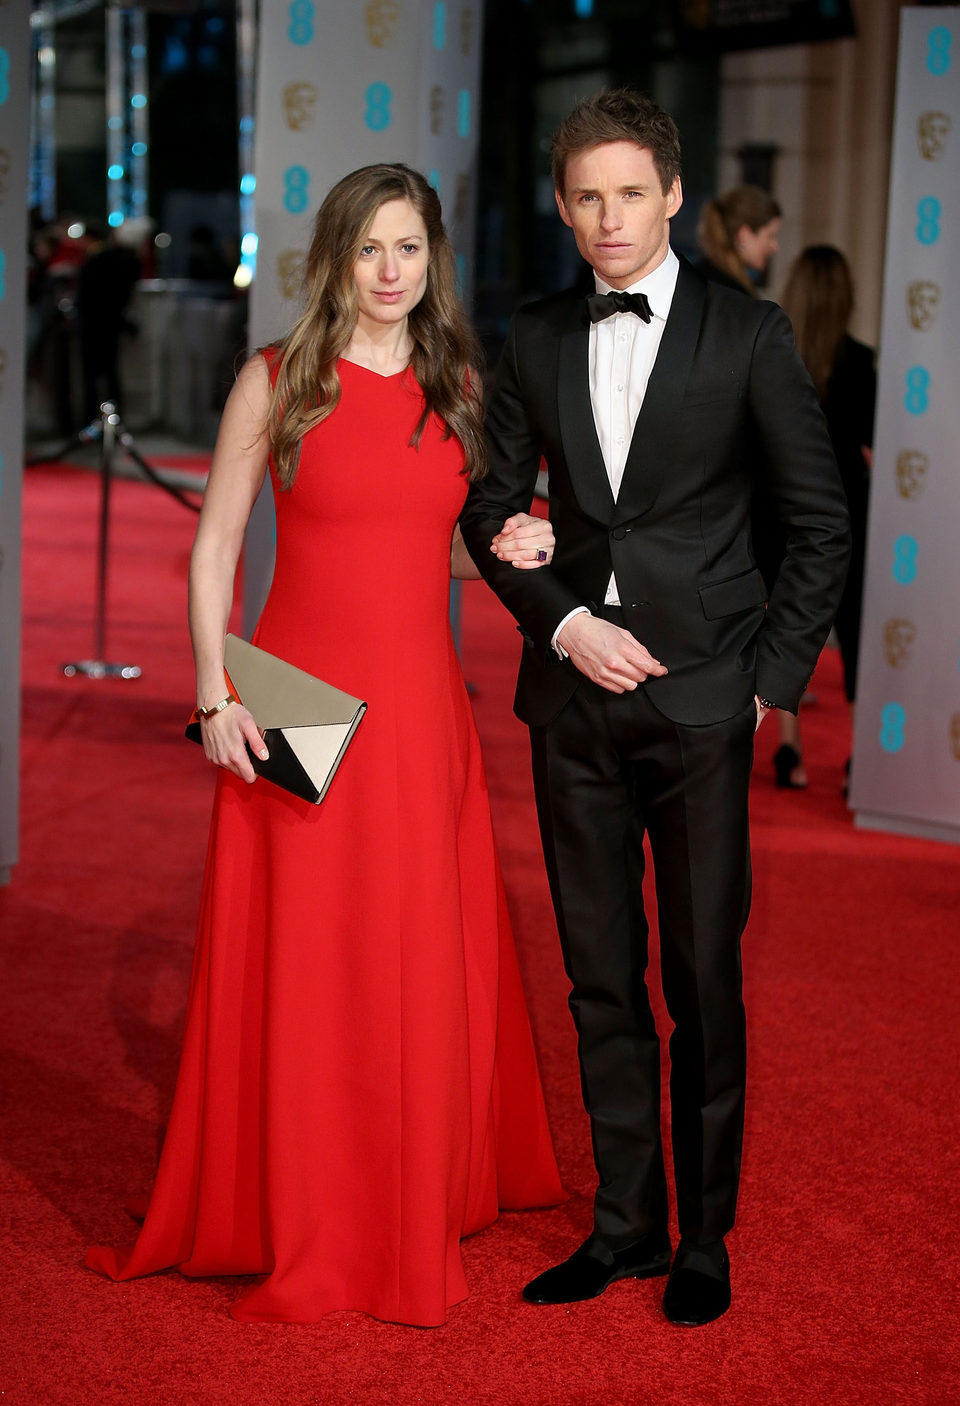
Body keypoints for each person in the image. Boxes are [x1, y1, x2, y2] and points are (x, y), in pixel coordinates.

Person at [86, 163, 565, 1326]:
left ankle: (411, 1182)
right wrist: (212, 690)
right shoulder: (278, 379)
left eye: (409, 248)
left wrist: (516, 546)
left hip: (418, 716)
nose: (391, 272)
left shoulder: (459, 385)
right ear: (335, 259)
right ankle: (302, 1199)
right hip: (294, 703)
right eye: (369, 250)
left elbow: (428, 547)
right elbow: (216, 548)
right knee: (306, 960)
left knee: (405, 954)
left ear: (432, 258)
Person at [459, 90, 849, 1327]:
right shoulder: (529, 333)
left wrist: (761, 688)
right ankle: (622, 1226)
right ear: (564, 207)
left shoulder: (748, 332)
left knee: (702, 980)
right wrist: (563, 618)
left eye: (632, 192)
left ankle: (702, 1237)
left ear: (674, 195)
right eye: (587, 196)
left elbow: (819, 524)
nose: (609, 217)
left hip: (702, 707)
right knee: (598, 980)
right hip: (571, 703)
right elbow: (486, 508)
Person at [773, 245, 876, 789]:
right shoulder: (860, 362)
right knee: (856, 632)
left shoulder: (777, 352)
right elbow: (875, 443)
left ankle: (791, 751)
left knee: (788, 622)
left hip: (782, 510)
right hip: (849, 514)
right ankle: (860, 757)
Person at [695, 184, 781, 294]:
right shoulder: (730, 291)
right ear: (744, 235)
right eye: (770, 236)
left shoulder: (699, 276)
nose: (775, 247)